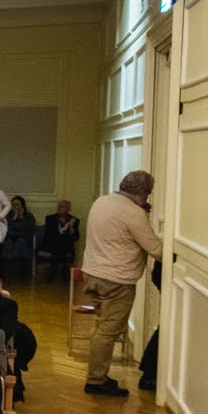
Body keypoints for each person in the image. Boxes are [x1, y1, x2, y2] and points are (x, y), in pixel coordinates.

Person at [82, 170, 162, 396]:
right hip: (116, 280)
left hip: (93, 274)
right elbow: (156, 249)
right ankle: (96, 381)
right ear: (142, 192)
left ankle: (98, 375)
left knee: (100, 327)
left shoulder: (102, 201)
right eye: (148, 193)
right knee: (108, 331)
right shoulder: (133, 213)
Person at [42, 199, 80, 282]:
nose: (59, 208)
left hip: (66, 246)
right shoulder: (50, 218)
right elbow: (49, 235)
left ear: (68, 209)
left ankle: (54, 272)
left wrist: (71, 228)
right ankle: (63, 272)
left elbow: (75, 237)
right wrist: (62, 230)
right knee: (59, 245)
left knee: (63, 244)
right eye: (58, 206)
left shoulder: (74, 220)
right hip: (52, 244)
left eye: (62, 207)